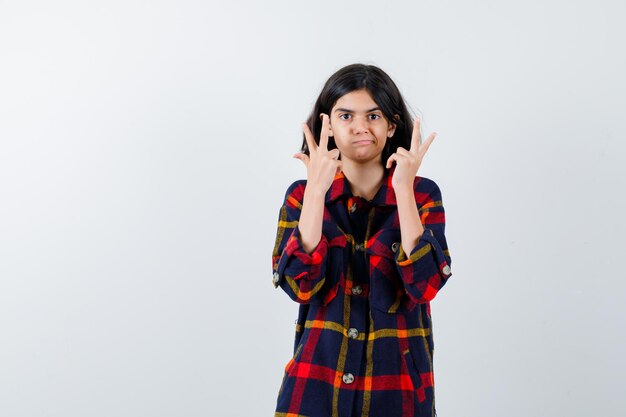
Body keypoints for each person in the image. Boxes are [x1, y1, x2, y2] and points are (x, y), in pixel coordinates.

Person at [271, 63, 452, 417]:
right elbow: (299, 285)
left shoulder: (422, 194)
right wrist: (317, 193)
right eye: (346, 115)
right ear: (328, 124)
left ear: (391, 125)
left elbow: (425, 286)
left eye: (373, 115)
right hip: (314, 389)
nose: (360, 127)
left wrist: (402, 189)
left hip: (396, 393)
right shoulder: (302, 196)